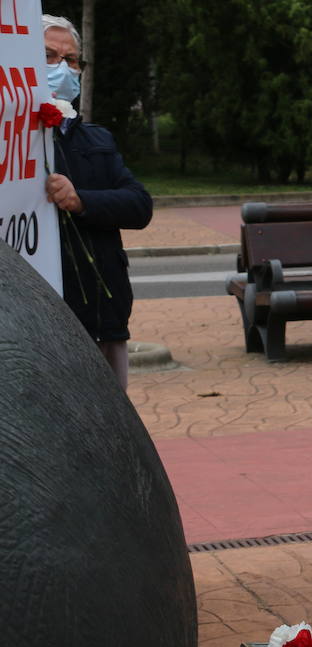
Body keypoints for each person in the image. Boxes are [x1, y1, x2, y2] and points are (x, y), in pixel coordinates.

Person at [43, 15, 153, 389]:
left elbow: (139, 205)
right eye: (48, 56)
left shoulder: (96, 139)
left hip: (104, 318)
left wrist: (82, 201)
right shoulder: (12, 147)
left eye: (72, 60)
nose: (64, 68)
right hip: (42, 327)